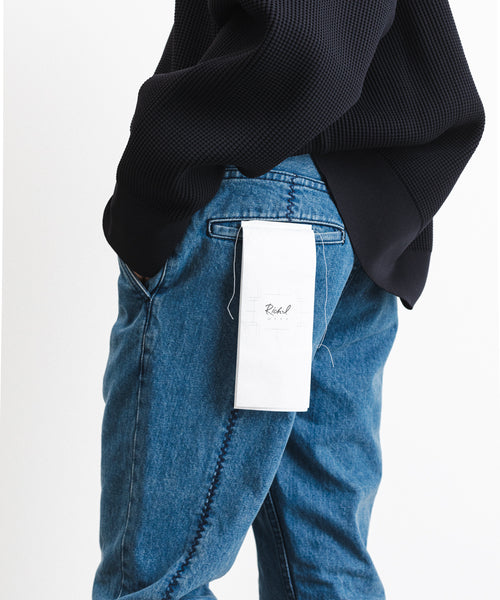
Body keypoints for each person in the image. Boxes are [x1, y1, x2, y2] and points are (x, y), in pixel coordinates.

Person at [93, 1, 485, 599]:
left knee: (157, 576)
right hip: (359, 221)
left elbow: (305, 41)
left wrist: (159, 170)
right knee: (325, 564)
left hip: (256, 200)